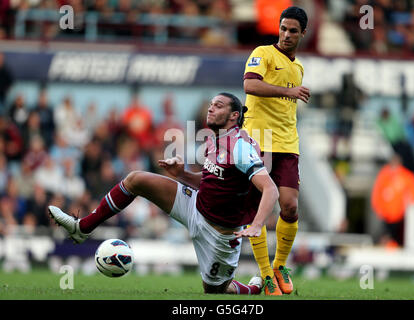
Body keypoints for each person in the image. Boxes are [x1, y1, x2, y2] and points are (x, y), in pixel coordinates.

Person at [48, 93, 279, 295]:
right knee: (136, 179)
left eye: (218, 105)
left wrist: (258, 225)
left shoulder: (240, 147)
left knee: (215, 291)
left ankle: (254, 289)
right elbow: (211, 183)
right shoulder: (213, 141)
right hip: (195, 206)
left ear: (233, 116)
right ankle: (82, 228)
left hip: (219, 235)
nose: (211, 108)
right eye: (211, 104)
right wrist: (181, 174)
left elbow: (270, 189)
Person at [242, 6, 310, 295]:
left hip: (287, 144)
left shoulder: (299, 67)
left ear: (302, 33)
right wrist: (288, 91)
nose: (286, 35)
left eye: (293, 31)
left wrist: (290, 93)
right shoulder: (263, 53)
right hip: (258, 140)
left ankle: (280, 265)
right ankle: (265, 274)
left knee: (290, 206)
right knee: (258, 208)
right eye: (283, 28)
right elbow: (249, 85)